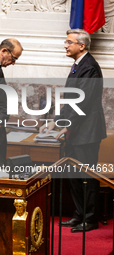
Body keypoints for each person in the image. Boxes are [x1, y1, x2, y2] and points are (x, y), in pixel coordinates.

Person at [39, 29, 107, 233]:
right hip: (78, 132)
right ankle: (79, 215)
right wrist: (55, 122)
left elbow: (82, 102)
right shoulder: (79, 65)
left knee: (86, 176)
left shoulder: (90, 67)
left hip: (86, 133)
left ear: (82, 46)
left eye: (69, 42)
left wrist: (64, 125)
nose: (65, 45)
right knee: (74, 175)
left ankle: (90, 218)